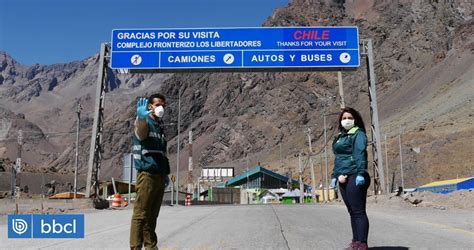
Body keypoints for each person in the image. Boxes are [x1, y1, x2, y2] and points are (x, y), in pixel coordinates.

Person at [130, 94, 170, 250]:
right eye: (158, 104)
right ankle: (135, 247)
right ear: (150, 107)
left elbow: (162, 153)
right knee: (141, 215)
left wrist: (165, 174)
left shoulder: (160, 127)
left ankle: (151, 246)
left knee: (152, 216)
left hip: (159, 175)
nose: (161, 108)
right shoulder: (145, 122)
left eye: (163, 105)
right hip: (147, 175)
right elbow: (140, 132)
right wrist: (140, 117)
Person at [330, 107, 370, 250]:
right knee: (352, 211)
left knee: (358, 211)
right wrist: (334, 176)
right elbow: (339, 159)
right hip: (343, 176)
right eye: (344, 118)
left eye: (350, 118)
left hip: (355, 175)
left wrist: (360, 173)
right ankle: (355, 243)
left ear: (355, 119)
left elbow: (360, 154)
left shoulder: (358, 134)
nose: (346, 120)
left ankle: (363, 243)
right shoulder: (340, 136)